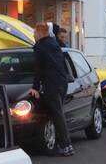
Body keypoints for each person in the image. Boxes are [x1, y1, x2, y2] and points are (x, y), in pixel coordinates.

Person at [27, 22, 73, 156]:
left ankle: (65, 146)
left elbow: (38, 68)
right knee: (59, 114)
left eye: (35, 32)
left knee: (57, 115)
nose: (34, 34)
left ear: (40, 33)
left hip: (51, 84)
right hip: (62, 83)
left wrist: (35, 87)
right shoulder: (55, 44)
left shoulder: (39, 47)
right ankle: (66, 145)